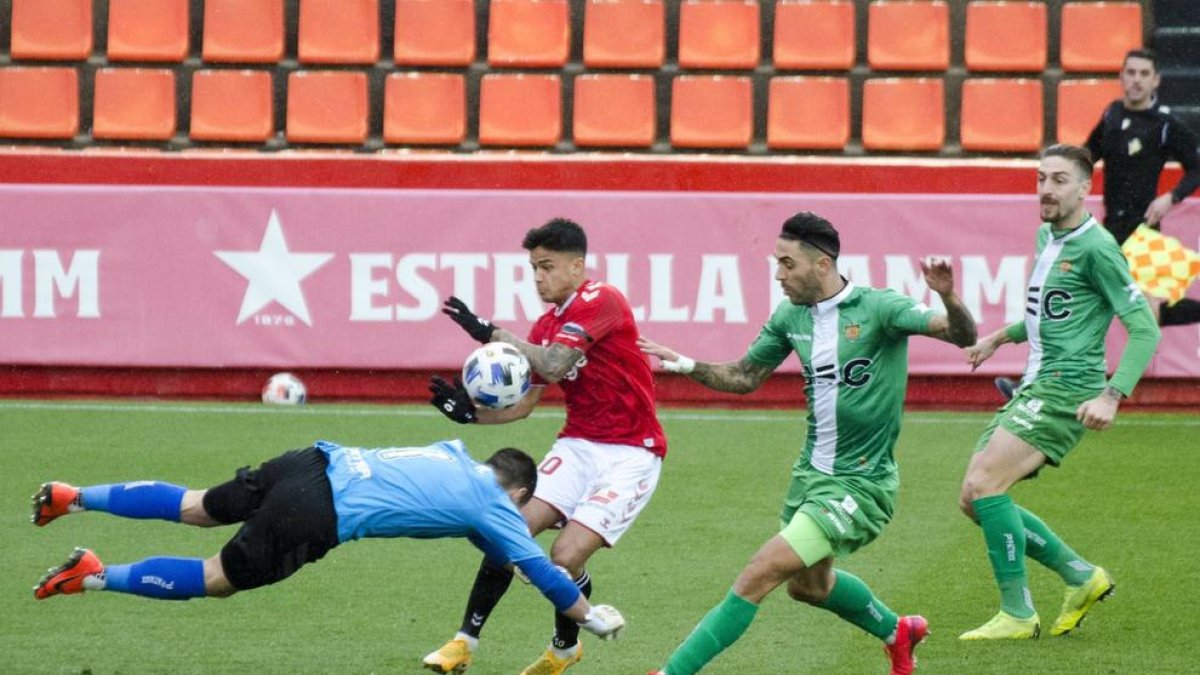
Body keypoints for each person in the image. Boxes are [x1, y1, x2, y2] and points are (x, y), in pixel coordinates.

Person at [639, 211, 979, 675]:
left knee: (758, 573)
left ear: (822, 265)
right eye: (776, 264)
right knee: (809, 588)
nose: (779, 275)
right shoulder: (790, 316)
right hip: (810, 477)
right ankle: (897, 631)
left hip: (861, 482)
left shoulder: (880, 308)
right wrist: (685, 363)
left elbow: (963, 336)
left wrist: (948, 296)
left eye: (787, 264)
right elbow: (744, 376)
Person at [29, 440, 626, 649]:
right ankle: (94, 574)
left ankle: (72, 495)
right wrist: (588, 614)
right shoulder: (496, 505)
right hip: (316, 512)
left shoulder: (450, 453)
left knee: (195, 506)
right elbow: (543, 572)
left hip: (309, 462)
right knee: (216, 577)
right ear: (520, 491)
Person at [424, 218, 666, 675]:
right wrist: (469, 413)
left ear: (577, 266)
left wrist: (489, 333)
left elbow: (554, 365)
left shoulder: (602, 300)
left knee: (565, 556)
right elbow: (525, 406)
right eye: (533, 267)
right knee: (504, 530)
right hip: (578, 445)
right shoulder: (545, 325)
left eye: (547, 266)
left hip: (632, 454)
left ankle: (563, 649)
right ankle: (463, 643)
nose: (538, 277)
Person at [958, 145, 1161, 641]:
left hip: (1068, 388)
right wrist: (998, 338)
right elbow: (1047, 314)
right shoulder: (1046, 235)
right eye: (1041, 178)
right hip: (1036, 384)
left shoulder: (1097, 248)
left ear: (1085, 188)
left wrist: (1111, 396)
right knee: (973, 498)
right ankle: (1080, 576)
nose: (1047, 189)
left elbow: (1145, 330)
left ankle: (1018, 613)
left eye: (1060, 180)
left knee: (986, 486)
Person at [994, 49, 1198, 400]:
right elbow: (1087, 156)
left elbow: (1196, 165)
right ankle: (1039, 385)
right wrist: (1061, 171)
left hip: (1145, 231)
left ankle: (1109, 393)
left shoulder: (1165, 124)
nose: (1135, 79)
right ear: (1121, 77)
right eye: (1129, 72)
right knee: (1072, 306)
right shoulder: (1112, 113)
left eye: (1143, 73)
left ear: (1156, 80)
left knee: (1150, 317)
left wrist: (1171, 198)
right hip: (1106, 229)